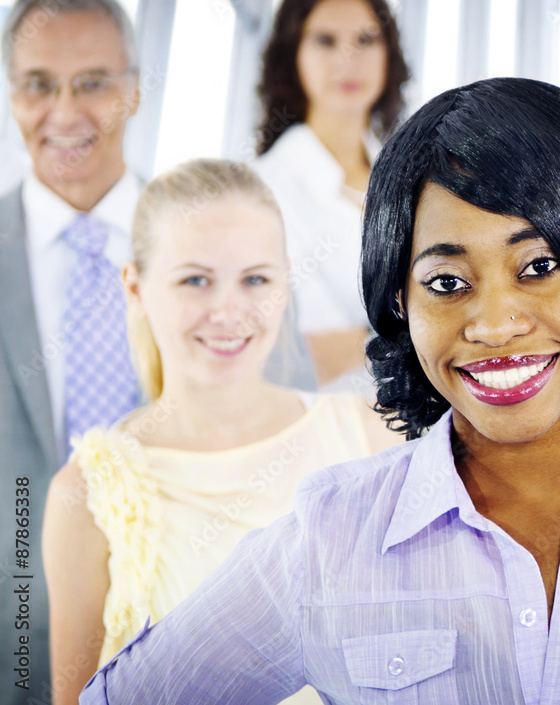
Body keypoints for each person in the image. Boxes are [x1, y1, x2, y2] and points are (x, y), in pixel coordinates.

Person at [78, 77, 560, 705]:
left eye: (540, 267)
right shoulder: (329, 540)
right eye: (447, 282)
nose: (495, 323)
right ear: (400, 306)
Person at [0, 4, 315, 702]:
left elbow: (288, 427)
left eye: (93, 82)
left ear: (136, 90)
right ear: (10, 91)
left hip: (201, 639)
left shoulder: (228, 242)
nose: (64, 112)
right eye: (38, 84)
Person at [41, 159, 399, 705]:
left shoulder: (373, 437)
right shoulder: (85, 495)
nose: (229, 312)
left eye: (255, 279)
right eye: (195, 280)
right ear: (134, 288)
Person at [254, 0, 408, 392]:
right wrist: (419, 332)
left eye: (366, 40)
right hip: (320, 420)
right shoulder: (263, 188)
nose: (348, 59)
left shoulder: (412, 178)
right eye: (325, 41)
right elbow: (298, 355)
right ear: (293, 55)